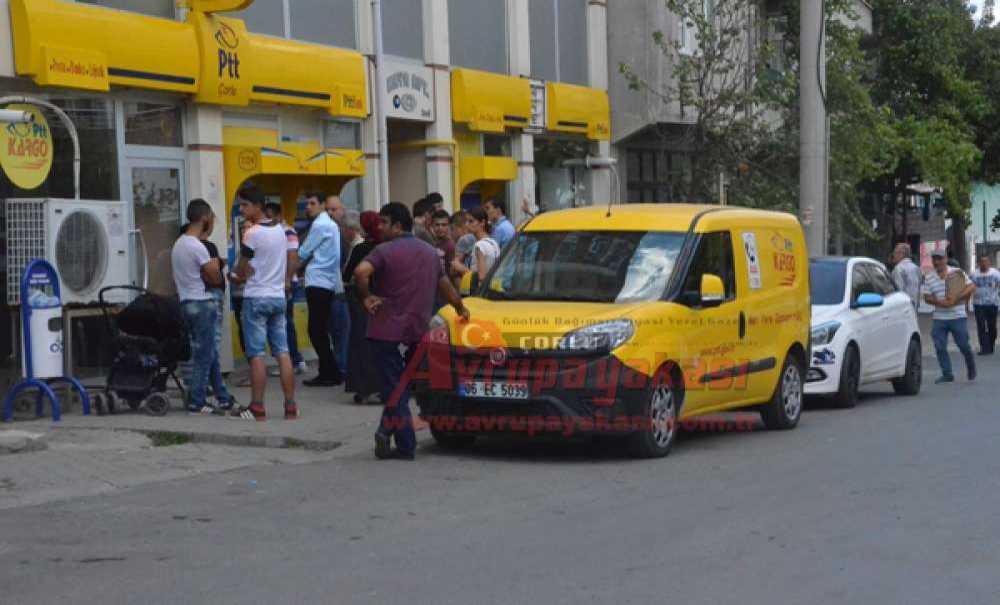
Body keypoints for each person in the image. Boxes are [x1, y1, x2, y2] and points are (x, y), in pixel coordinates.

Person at [354, 202, 469, 460]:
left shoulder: (383, 251)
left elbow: (360, 272)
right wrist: (461, 307)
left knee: (394, 388)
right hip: (417, 332)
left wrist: (366, 297)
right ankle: (384, 431)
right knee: (403, 386)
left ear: (397, 226)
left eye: (384, 222)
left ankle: (405, 445)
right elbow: (445, 286)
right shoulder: (430, 252)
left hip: (386, 332)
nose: (379, 227)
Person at [228, 187, 298, 420]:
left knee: (256, 354)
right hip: (278, 297)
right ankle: (290, 406)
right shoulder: (280, 230)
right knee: (283, 352)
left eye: (245, 205)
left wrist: (234, 275)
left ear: (258, 206)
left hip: (256, 297)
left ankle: (257, 406)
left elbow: (241, 267)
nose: (241, 209)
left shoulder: (252, 233)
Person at [171, 199, 230, 414]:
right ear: (204, 218)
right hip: (202, 303)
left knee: (209, 353)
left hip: (185, 301)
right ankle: (197, 400)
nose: (213, 222)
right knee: (204, 356)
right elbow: (215, 278)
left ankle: (222, 396)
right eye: (212, 218)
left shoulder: (179, 244)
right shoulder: (197, 246)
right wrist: (215, 267)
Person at [297, 192, 345, 386]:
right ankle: (329, 371)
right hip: (326, 282)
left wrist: (288, 272)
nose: (308, 207)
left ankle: (330, 372)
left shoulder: (320, 225)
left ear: (322, 205)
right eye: (306, 203)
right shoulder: (329, 224)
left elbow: (303, 252)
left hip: (318, 281)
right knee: (320, 330)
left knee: (316, 330)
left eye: (312, 203)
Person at [264, 202, 307, 376]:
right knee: (280, 323)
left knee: (284, 323)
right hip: (275, 283)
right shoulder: (270, 232)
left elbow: (293, 257)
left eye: (270, 216)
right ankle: (288, 361)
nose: (268, 220)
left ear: (278, 216)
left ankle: (294, 360)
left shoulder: (287, 231)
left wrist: (287, 280)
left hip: (284, 283)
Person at [343, 210, 382, 404]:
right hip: (384, 300)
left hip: (363, 300)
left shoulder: (362, 248)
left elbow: (349, 274)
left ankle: (364, 387)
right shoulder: (386, 246)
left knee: (361, 343)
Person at [924, 250, 977, 384]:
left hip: (958, 316)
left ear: (946, 259)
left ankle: (971, 365)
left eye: (940, 259)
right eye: (934, 259)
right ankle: (947, 374)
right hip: (939, 317)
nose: (937, 262)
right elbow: (927, 297)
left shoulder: (957, 272)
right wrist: (940, 302)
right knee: (940, 347)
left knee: (963, 345)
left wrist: (955, 298)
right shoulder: (929, 277)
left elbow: (971, 287)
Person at [451, 207, 500, 286]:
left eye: (471, 221)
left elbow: (481, 277)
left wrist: (460, 268)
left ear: (482, 223)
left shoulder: (479, 246)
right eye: (466, 221)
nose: (467, 224)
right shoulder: (494, 242)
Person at [970, 254, 1000, 355]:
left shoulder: (995, 273)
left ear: (989, 263)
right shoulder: (974, 275)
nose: (984, 263)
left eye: (986, 261)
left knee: (992, 326)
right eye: (982, 261)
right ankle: (984, 347)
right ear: (979, 263)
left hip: (992, 303)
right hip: (979, 304)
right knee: (981, 326)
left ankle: (991, 344)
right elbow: (969, 288)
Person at [891, 243, 922, 310]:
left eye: (895, 253)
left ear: (901, 254)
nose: (893, 255)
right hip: (914, 306)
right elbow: (919, 287)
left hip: (903, 308)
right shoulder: (916, 268)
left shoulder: (899, 268)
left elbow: (898, 290)